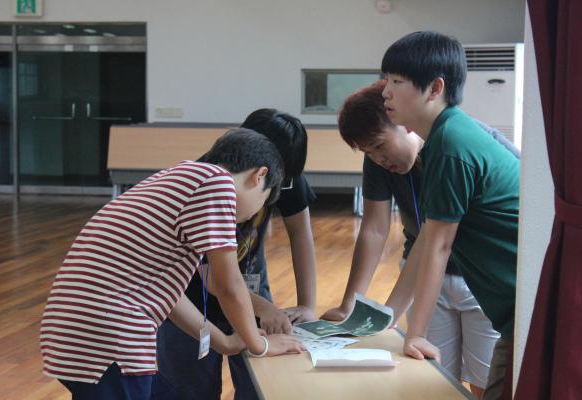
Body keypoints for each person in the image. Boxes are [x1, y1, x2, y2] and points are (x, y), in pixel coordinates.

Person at [39, 129, 304, 400]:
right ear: (259, 176)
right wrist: (260, 345)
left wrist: (224, 342)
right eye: (263, 199)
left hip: (73, 329)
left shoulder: (182, 178)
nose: (253, 214)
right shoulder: (219, 185)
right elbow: (229, 286)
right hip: (110, 337)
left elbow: (169, 297)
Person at [322, 80, 519, 398]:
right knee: (432, 375)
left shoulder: (459, 144)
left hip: (480, 278)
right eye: (368, 151)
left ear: (404, 121)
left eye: (379, 146)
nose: (377, 158)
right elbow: (376, 230)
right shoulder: (380, 159)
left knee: (483, 380)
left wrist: (405, 326)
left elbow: (437, 240)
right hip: (425, 275)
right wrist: (352, 306)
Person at [378, 31, 519, 400]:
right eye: (385, 80)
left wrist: (417, 334)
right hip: (517, 311)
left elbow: (438, 246)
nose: (385, 92)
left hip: (529, 308)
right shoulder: (447, 135)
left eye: (397, 82)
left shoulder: (451, 145)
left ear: (435, 88)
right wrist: (389, 318)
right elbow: (427, 239)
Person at [157, 109, 317, 400]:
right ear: (258, 171)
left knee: (261, 383)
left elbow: (300, 233)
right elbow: (215, 280)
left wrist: (306, 304)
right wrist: (261, 320)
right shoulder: (207, 184)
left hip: (247, 284)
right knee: (190, 387)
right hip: (190, 298)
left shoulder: (284, 169)